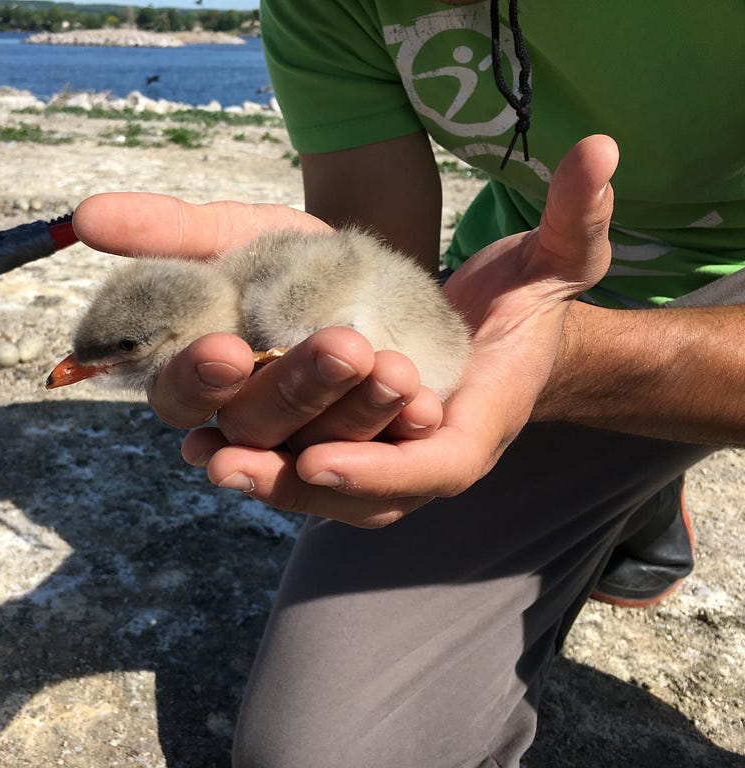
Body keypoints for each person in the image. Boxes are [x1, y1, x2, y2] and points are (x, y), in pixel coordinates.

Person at [70, 1, 745, 765]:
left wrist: (573, 368)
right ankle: (627, 487)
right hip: (514, 277)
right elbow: (368, 259)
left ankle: (628, 455)